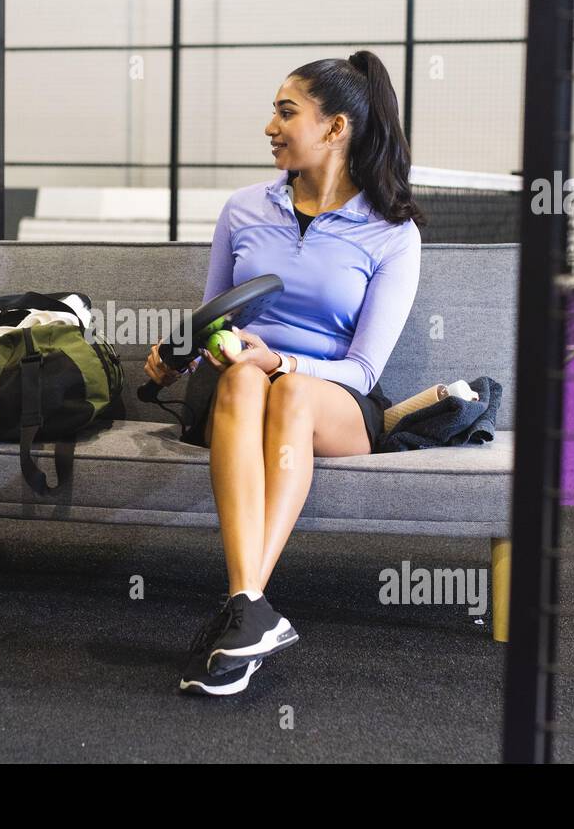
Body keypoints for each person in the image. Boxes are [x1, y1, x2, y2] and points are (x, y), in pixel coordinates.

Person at [145, 51, 424, 695]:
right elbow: (213, 316)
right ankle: (248, 611)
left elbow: (361, 369)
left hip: (332, 400)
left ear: (336, 129)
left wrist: (281, 361)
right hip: (236, 391)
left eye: (286, 111)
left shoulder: (392, 234)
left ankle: (244, 605)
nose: (270, 125)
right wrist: (183, 351)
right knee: (245, 378)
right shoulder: (244, 209)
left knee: (291, 389)